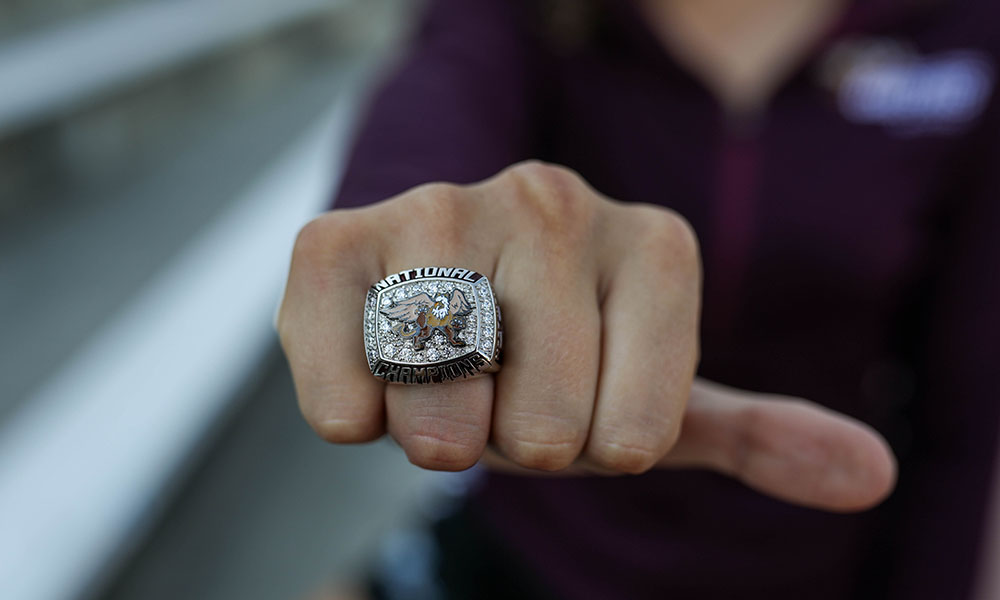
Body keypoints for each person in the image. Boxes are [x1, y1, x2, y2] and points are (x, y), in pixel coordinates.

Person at [278, 0, 1000, 598]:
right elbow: (431, 124)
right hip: (533, 552)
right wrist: (408, 242)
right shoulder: (524, 16)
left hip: (817, 547)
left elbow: (965, 409)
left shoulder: (964, 33)